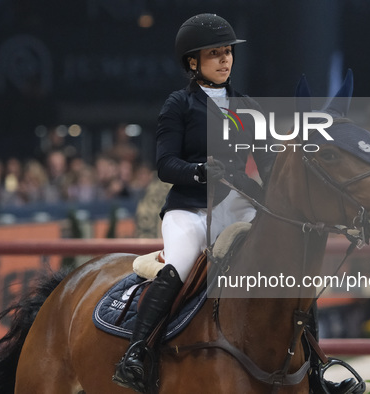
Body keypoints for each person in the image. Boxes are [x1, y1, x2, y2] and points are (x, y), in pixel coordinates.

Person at [112, 13, 275, 392]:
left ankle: (314, 365)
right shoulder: (179, 104)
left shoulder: (247, 105)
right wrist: (200, 171)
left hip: (237, 205)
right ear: (193, 62)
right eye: (214, 53)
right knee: (182, 263)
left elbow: (268, 162)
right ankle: (136, 353)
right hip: (189, 208)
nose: (224, 60)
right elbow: (165, 164)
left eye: (228, 52)